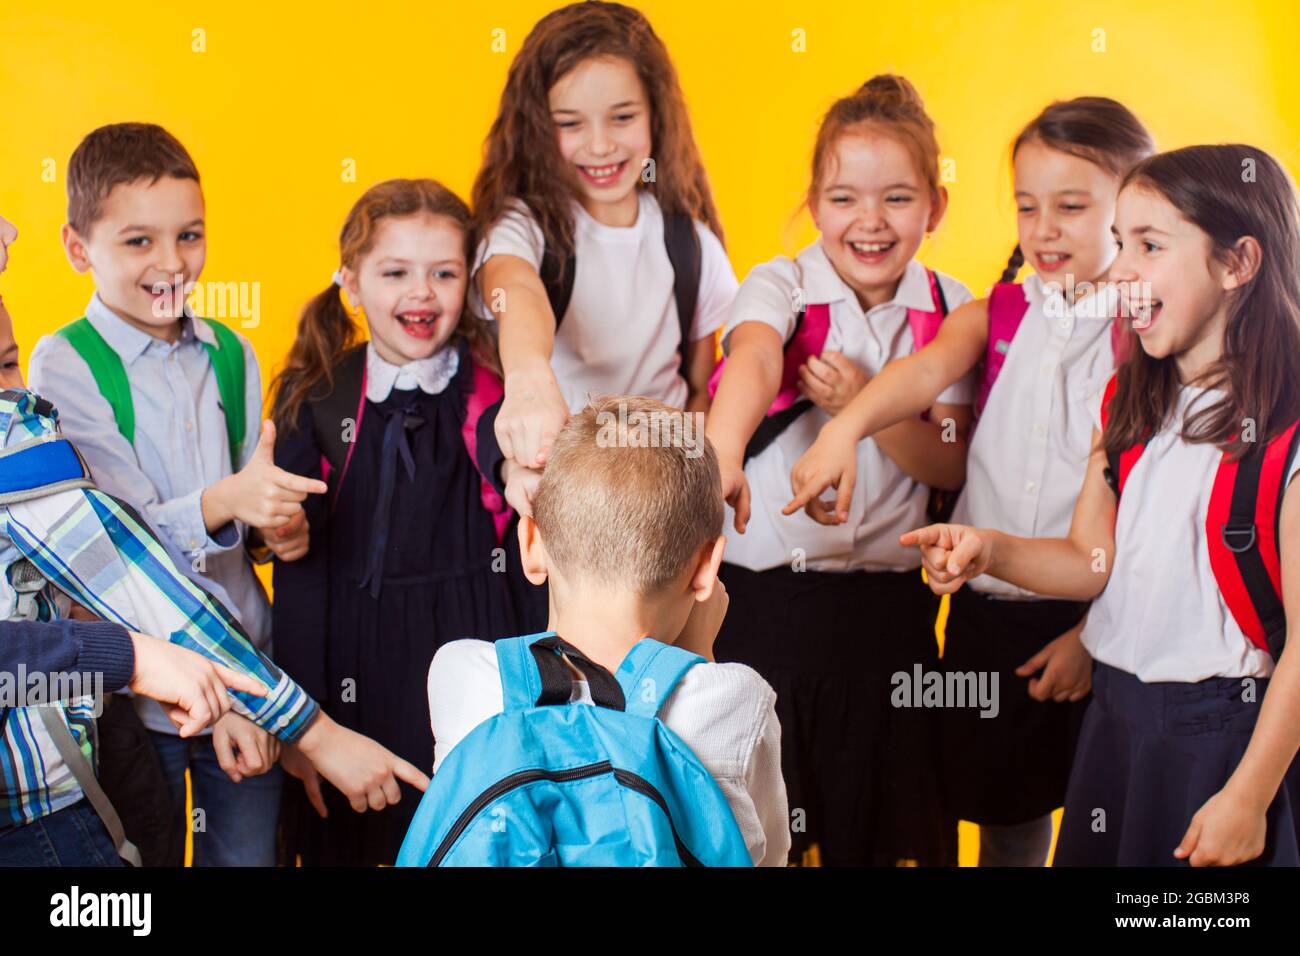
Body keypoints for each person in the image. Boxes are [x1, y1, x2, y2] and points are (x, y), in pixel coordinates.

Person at [901, 145, 1300, 866]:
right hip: (1113, 722)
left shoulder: (1285, 431)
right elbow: (1089, 563)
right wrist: (989, 549)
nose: (1119, 270)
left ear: (1238, 263)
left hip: (1227, 740)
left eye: (1148, 245)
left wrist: (1246, 797)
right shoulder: (1125, 402)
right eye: (1120, 243)